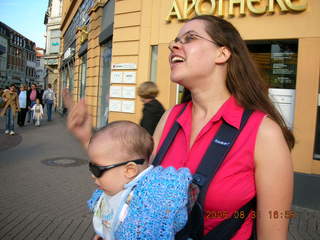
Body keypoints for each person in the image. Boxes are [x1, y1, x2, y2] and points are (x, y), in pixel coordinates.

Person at [65, 15, 294, 239]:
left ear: (222, 53)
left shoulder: (264, 133)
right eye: (175, 39)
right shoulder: (170, 118)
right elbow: (135, 182)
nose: (174, 45)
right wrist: (88, 137)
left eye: (190, 38)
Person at [86, 120, 191, 240]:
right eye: (91, 166)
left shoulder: (148, 206)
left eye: (97, 169)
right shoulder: (114, 188)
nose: (92, 175)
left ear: (129, 170)